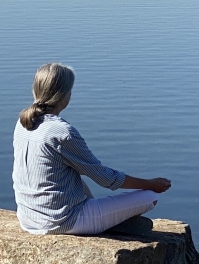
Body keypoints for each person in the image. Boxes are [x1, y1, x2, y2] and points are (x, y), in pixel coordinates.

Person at [13, 63, 171, 235]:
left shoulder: (24, 123)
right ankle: (108, 224)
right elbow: (105, 179)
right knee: (150, 197)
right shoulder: (62, 132)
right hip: (62, 221)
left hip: (28, 217)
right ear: (65, 95)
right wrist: (150, 184)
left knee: (75, 178)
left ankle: (108, 221)